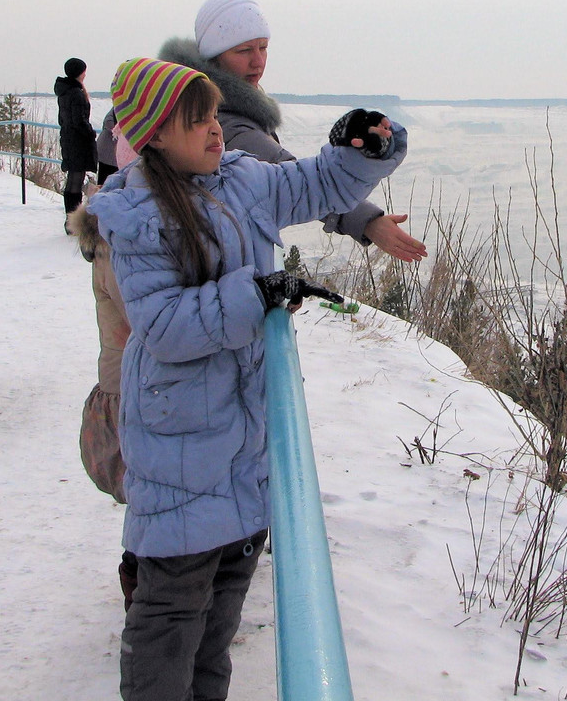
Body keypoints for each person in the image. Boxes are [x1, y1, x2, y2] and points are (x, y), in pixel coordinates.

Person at [88, 57, 405, 701]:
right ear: (155, 136)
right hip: (181, 445)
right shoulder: (136, 214)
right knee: (171, 612)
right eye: (196, 121)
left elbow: (316, 185)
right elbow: (164, 326)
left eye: (213, 115)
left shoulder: (241, 179)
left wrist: (359, 150)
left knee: (222, 612)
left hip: (243, 440)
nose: (215, 129)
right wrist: (256, 292)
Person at [159, 0, 427, 263]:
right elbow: (293, 180)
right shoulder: (221, 121)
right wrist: (367, 221)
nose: (258, 61)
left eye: (263, 47)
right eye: (244, 50)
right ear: (214, 57)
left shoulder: (218, 107)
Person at [67, 199, 138, 609]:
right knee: (149, 490)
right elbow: (148, 316)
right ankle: (140, 580)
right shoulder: (116, 249)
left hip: (132, 383)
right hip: (131, 388)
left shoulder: (115, 240)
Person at [55, 57, 97, 230]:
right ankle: (73, 222)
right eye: (84, 71)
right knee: (75, 181)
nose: (85, 74)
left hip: (68, 139)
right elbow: (79, 120)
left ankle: (70, 221)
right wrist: (90, 133)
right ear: (79, 72)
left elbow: (63, 119)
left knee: (73, 180)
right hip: (77, 142)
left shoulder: (65, 92)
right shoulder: (76, 94)